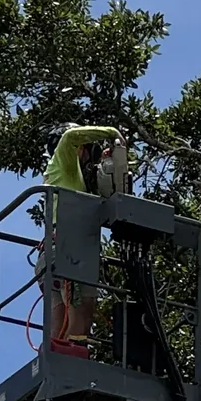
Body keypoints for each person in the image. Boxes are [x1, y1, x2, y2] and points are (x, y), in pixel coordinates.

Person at [42, 124, 121, 355]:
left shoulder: (70, 178)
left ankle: (54, 359)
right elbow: (69, 137)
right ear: (81, 149)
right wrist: (111, 133)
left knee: (58, 323)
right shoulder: (66, 161)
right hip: (70, 249)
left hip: (52, 253)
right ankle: (75, 358)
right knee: (82, 308)